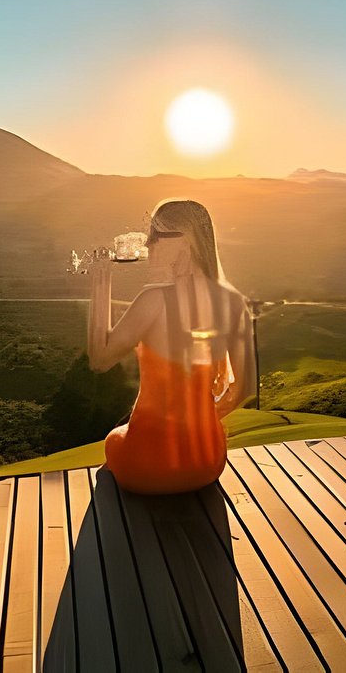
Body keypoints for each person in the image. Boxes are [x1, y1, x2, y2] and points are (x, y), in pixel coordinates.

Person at [87, 198, 257, 495]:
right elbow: (243, 389)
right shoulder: (233, 302)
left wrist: (101, 282)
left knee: (114, 439)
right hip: (208, 462)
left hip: (149, 464)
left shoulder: (154, 299)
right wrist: (196, 423)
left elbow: (99, 360)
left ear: (186, 243)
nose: (148, 243)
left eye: (156, 234)